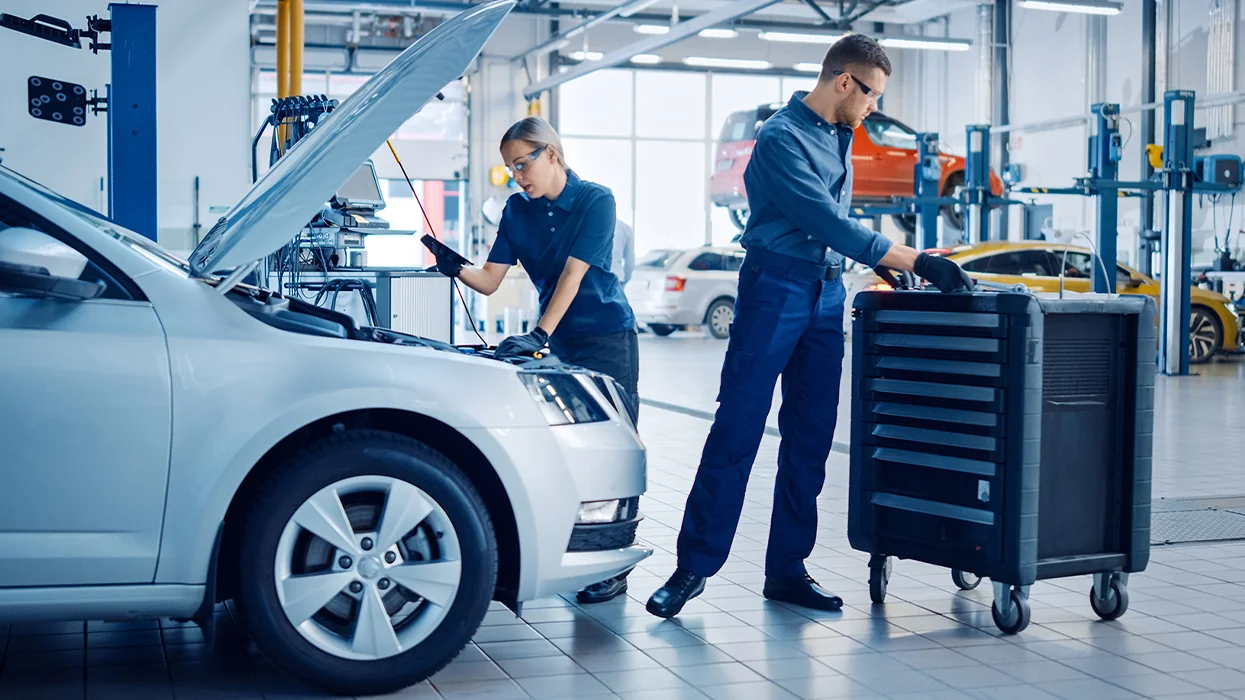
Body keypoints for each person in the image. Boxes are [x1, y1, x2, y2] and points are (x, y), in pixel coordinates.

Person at [646, 34, 974, 619]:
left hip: (825, 294)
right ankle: (692, 567)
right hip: (775, 288)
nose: (874, 107)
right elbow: (821, 216)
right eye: (871, 94)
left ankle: (787, 570)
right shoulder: (779, 137)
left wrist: (872, 259)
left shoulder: (840, 134)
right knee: (738, 428)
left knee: (812, 436)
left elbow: (838, 221)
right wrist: (915, 259)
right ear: (843, 81)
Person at [428, 117, 640, 604]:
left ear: (552, 154)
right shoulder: (517, 211)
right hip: (559, 337)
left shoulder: (595, 200)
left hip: (607, 335)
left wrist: (539, 334)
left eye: (522, 164)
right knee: (572, 446)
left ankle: (614, 563)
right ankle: (577, 550)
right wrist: (451, 263)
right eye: (509, 169)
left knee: (615, 447)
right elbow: (488, 280)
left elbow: (573, 274)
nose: (517, 175)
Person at [612, 218, 635, 286]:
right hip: (616, 280)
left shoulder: (589, 224)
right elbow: (629, 263)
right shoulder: (624, 228)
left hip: (590, 282)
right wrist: (625, 281)